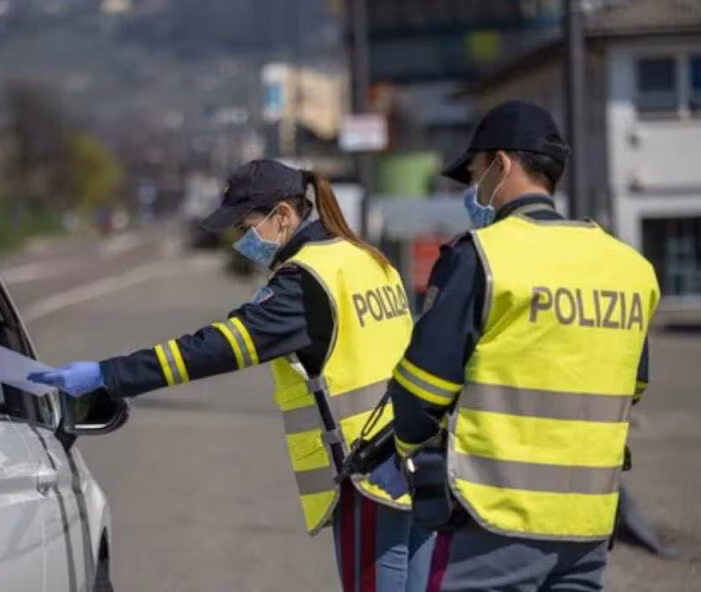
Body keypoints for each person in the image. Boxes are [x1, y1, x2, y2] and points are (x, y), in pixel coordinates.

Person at [29, 160, 438, 591]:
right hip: (412, 459)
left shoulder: (303, 282)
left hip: (368, 474)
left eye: (245, 227)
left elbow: (213, 349)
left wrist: (107, 375)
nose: (241, 241)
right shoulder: (367, 258)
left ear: (283, 215)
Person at [388, 101, 660, 592]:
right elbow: (631, 385)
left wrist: (407, 446)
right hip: (588, 521)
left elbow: (420, 392)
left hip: (492, 517)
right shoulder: (630, 268)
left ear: (501, 164)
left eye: (474, 173)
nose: (474, 189)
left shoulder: (483, 257)